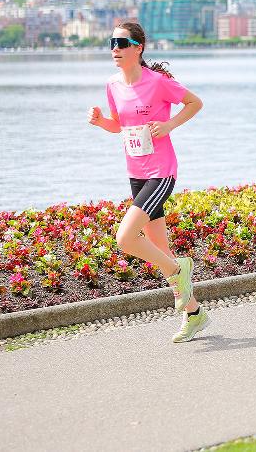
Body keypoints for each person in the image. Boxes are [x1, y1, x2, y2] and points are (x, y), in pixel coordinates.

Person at [87, 21, 210, 342]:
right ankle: (194, 314)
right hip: (136, 173)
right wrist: (102, 122)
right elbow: (119, 125)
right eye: (112, 42)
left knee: (125, 237)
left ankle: (180, 269)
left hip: (161, 172)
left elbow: (195, 102)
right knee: (161, 249)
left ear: (138, 47)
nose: (115, 48)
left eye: (121, 42)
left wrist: (169, 125)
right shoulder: (112, 85)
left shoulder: (158, 82)